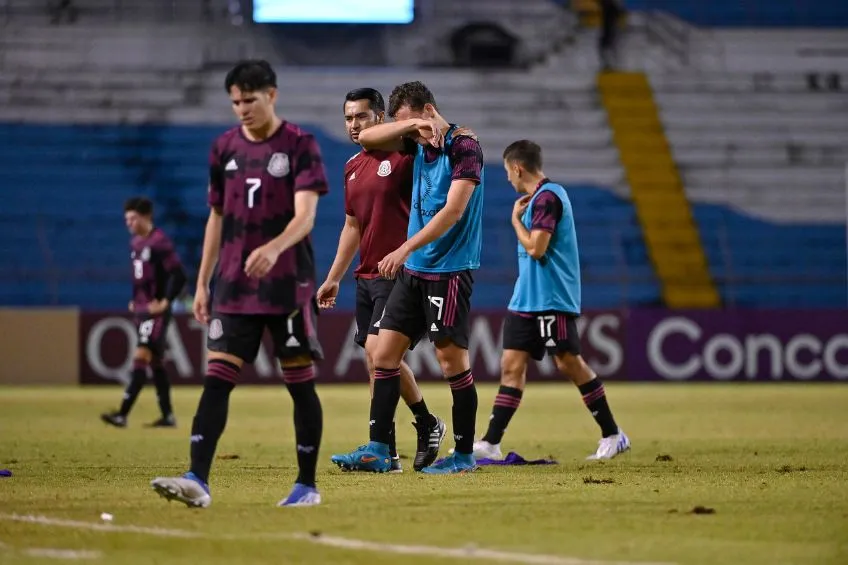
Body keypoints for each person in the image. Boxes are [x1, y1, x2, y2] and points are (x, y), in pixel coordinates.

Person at [150, 60, 329, 508]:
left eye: (250, 100)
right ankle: (197, 479)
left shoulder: (300, 144)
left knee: (299, 383)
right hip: (232, 283)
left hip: (287, 283)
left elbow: (306, 215)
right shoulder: (223, 148)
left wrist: (274, 247)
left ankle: (306, 486)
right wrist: (204, 281)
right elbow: (217, 216)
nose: (242, 109)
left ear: (272, 95)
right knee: (217, 378)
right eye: (235, 101)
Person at [330, 81, 484, 474]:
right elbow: (367, 136)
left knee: (452, 363)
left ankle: (464, 455)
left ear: (428, 111)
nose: (409, 132)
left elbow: (452, 213)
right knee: (382, 356)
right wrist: (405, 128)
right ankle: (380, 449)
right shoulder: (415, 145)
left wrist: (404, 248)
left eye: (411, 122)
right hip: (415, 272)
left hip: (448, 270)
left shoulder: (464, 147)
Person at [472, 140, 630, 461]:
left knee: (568, 362)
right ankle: (490, 442)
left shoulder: (548, 198)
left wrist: (515, 222)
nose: (507, 179)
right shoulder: (538, 200)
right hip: (525, 299)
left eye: (507, 171)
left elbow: (537, 248)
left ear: (518, 168)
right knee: (511, 366)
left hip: (552, 298)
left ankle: (613, 434)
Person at [317, 88, 445, 473]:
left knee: (378, 353)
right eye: (348, 118)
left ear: (379, 118)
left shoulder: (405, 154)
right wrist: (334, 277)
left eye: (361, 117)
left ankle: (386, 445)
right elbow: (353, 225)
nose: (354, 125)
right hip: (367, 275)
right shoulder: (352, 166)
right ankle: (402, 441)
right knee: (376, 362)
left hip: (400, 272)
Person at [101, 197, 186, 429]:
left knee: (141, 356)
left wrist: (166, 302)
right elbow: (140, 278)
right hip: (141, 310)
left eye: (133, 218)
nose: (128, 223)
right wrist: (135, 299)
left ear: (146, 216)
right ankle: (168, 416)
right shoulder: (136, 244)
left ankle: (122, 414)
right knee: (156, 363)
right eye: (126, 218)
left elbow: (179, 275)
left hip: (154, 313)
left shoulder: (160, 242)